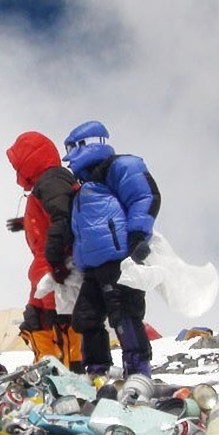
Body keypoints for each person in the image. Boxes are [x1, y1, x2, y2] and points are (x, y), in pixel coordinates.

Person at [62, 120, 161, 377]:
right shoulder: (84, 188)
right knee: (86, 317)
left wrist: (138, 236)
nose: (68, 159)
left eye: (72, 150)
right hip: (93, 267)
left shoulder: (120, 168)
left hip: (119, 260)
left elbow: (144, 196)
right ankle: (97, 370)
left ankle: (138, 370)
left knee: (124, 313)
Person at [6, 132, 85, 373]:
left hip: (56, 267)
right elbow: (55, 213)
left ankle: (67, 374)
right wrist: (26, 222)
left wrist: (55, 259)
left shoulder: (51, 180)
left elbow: (62, 216)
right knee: (40, 319)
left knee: (58, 321)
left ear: (29, 160)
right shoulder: (49, 183)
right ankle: (49, 370)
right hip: (47, 267)